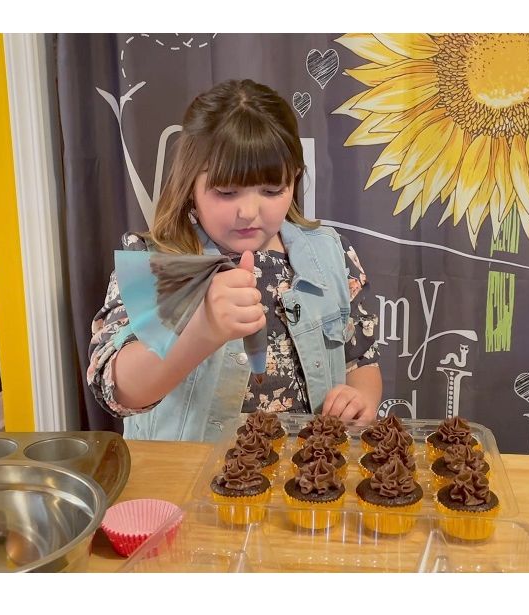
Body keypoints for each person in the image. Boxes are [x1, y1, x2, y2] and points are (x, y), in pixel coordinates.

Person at [87, 78, 382, 442]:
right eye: (227, 192)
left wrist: (359, 399)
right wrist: (202, 329)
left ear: (294, 179)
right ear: (190, 186)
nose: (248, 212)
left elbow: (362, 361)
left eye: (272, 190)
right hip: (191, 473)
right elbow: (118, 391)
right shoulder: (154, 262)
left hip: (307, 471)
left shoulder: (332, 255)